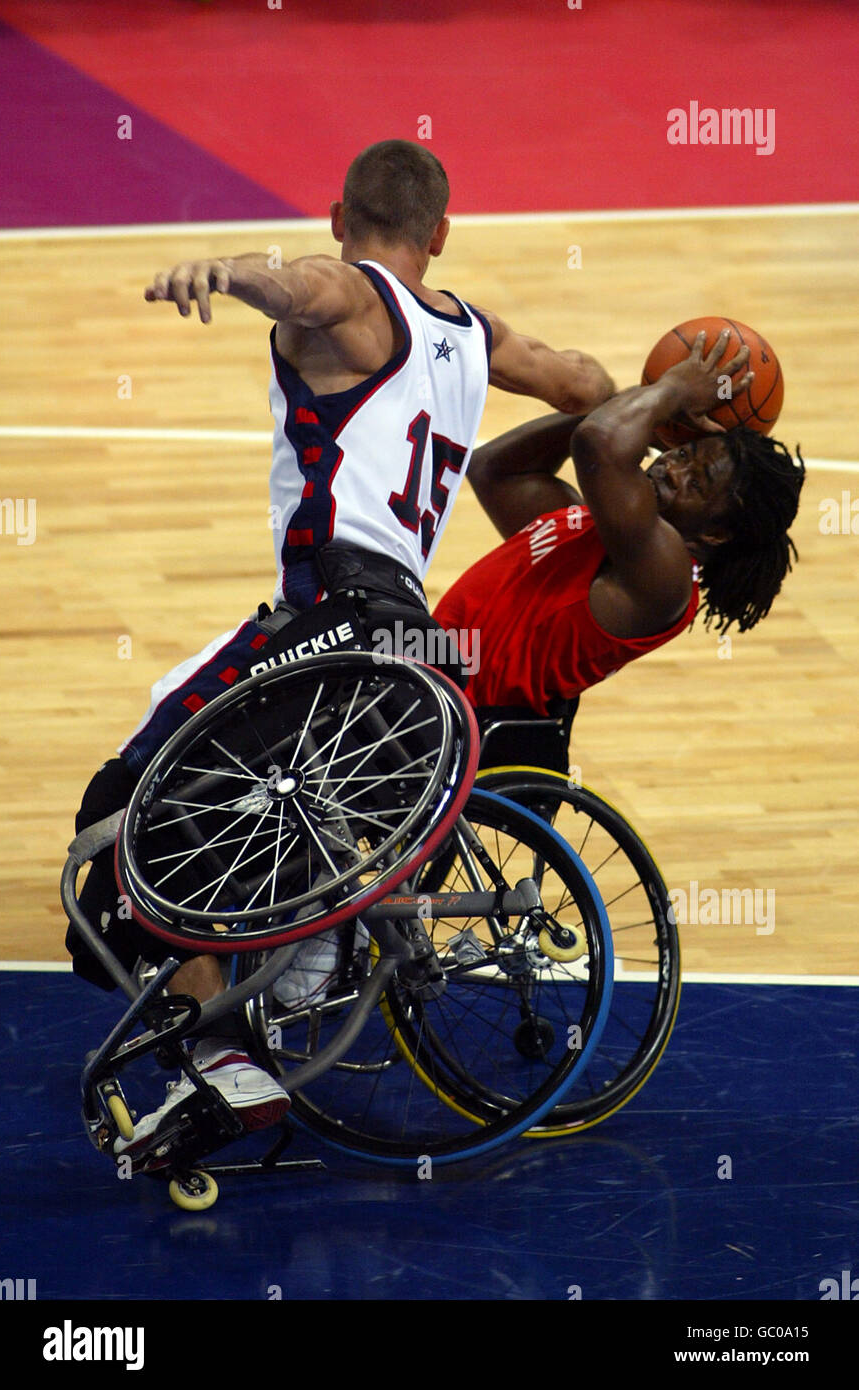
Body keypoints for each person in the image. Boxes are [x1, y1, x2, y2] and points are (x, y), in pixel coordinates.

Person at [68, 139, 614, 1163]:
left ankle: (224, 1054)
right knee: (251, 786)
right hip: (423, 641)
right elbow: (583, 383)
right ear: (441, 234)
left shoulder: (354, 296)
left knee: (118, 804)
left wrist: (226, 274)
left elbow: (305, 291)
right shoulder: (468, 330)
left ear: (334, 215)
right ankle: (315, 943)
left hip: (338, 623)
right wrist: (672, 401)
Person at [435, 330, 806, 772]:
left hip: (456, 720)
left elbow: (600, 443)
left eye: (697, 482)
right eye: (683, 453)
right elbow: (496, 470)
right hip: (427, 675)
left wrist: (668, 392)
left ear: (717, 534)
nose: (672, 469)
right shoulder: (593, 527)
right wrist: (642, 405)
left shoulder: (664, 576)